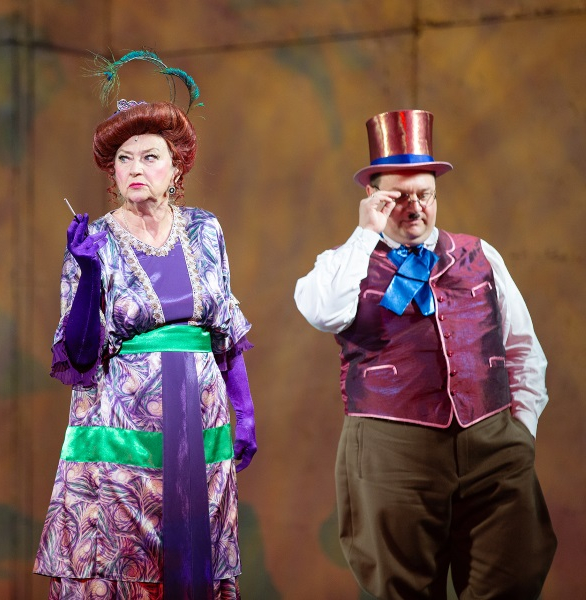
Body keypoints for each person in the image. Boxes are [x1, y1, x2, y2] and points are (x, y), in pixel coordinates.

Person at [294, 109, 556, 599]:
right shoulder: (343, 264)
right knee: (404, 589)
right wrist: (364, 234)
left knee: (513, 580)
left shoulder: (479, 255)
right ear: (373, 197)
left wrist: (520, 433)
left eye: (425, 195)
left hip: (493, 444)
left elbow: (524, 349)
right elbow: (323, 312)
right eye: (398, 197)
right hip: (391, 451)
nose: (414, 207)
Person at [34, 51, 256, 600]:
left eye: (150, 157)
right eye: (124, 159)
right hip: (122, 433)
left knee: (195, 565)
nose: (135, 168)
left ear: (176, 167)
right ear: (112, 172)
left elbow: (225, 331)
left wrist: (245, 411)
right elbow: (80, 356)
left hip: (200, 425)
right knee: (121, 564)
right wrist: (88, 273)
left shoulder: (205, 230)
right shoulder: (96, 242)